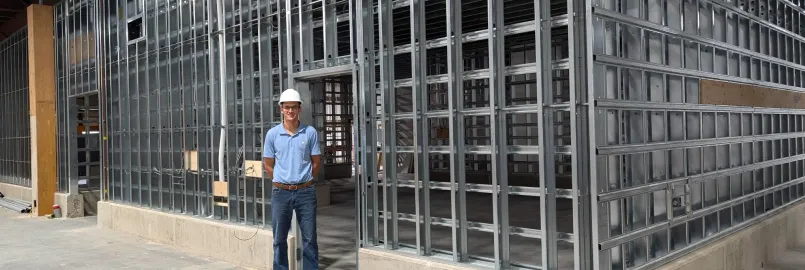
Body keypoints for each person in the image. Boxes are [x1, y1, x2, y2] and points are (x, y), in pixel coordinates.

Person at [263, 88, 321, 270]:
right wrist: (282, 181)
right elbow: (268, 164)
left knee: (310, 238)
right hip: (281, 193)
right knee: (279, 238)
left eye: (294, 107)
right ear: (281, 109)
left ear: (299, 109)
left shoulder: (310, 132)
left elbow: (316, 162)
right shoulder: (272, 134)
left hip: (306, 192)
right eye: (286, 107)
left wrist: (304, 180)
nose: (290, 111)